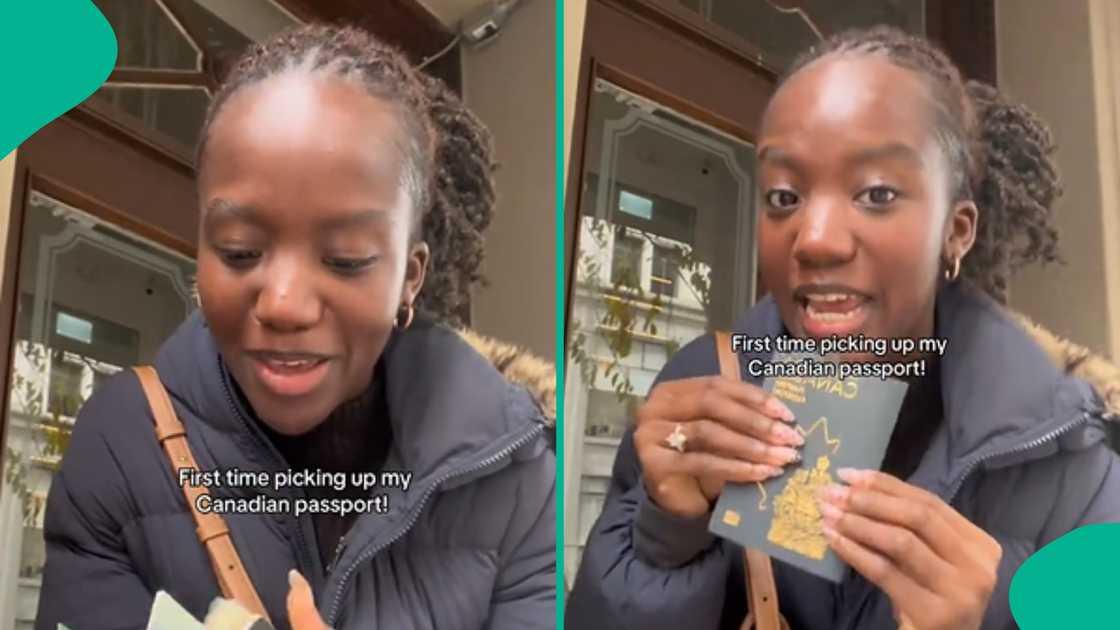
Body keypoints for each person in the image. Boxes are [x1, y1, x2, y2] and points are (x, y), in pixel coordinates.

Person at [565, 25, 1120, 630]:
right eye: (783, 198)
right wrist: (664, 536)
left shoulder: (1072, 465)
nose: (816, 239)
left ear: (956, 231)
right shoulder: (700, 386)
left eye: (877, 193)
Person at [36, 24, 556, 630]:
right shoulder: (122, 444)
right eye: (238, 251)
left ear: (410, 278)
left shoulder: (516, 477)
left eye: (344, 260)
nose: (283, 304)